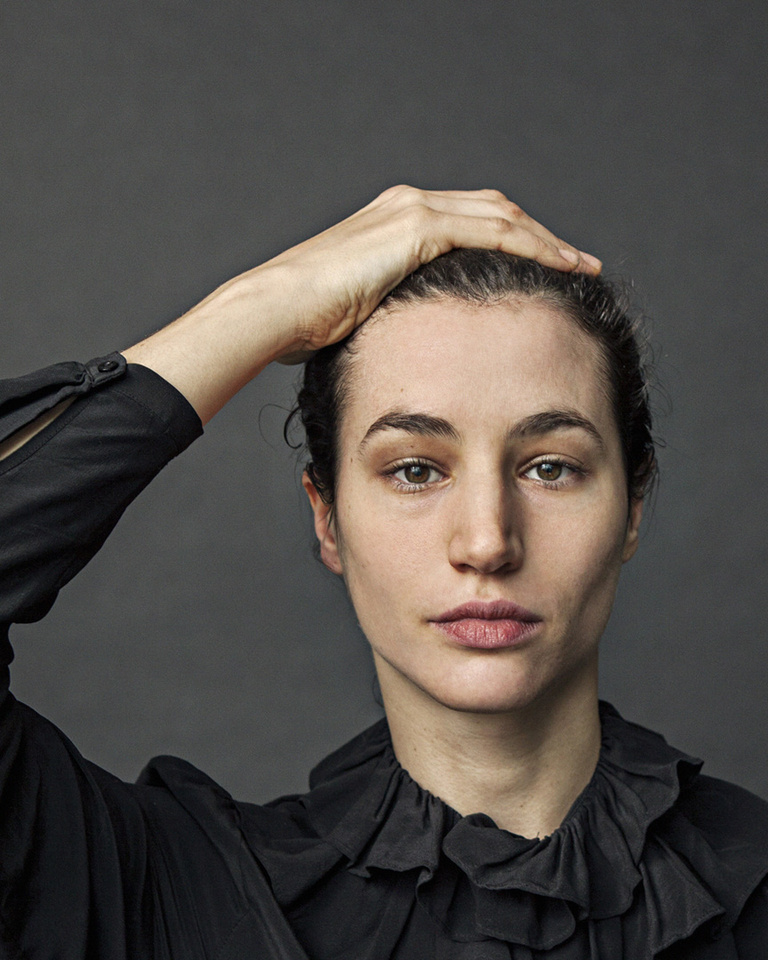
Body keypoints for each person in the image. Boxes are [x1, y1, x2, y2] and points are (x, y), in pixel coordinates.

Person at [0, 186, 766, 959]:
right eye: (413, 471)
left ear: (632, 506)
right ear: (326, 516)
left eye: (549, 467)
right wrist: (264, 304)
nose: (487, 541)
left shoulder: (751, 891)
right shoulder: (179, 896)